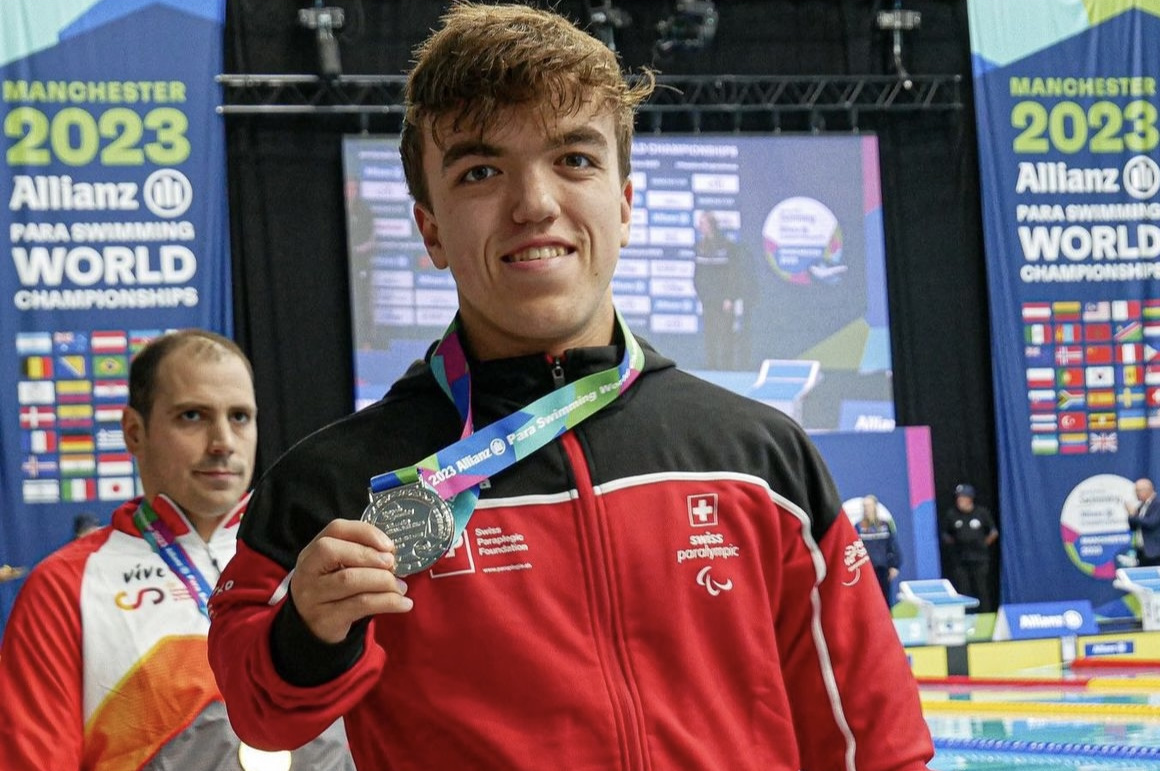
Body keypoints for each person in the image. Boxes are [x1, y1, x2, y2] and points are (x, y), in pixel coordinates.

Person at [207, 5, 933, 770]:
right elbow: (259, 714)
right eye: (481, 171)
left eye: (575, 160)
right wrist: (310, 630)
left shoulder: (758, 459)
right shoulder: (338, 484)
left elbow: (874, 739)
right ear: (429, 229)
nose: (534, 204)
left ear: (623, 207)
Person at [0, 330, 354, 771]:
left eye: (240, 417)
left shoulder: (324, 561)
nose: (223, 440)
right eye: (193, 416)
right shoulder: (65, 586)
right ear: (134, 431)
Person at [693, 209, 747, 369]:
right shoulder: (700, 247)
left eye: (703, 223)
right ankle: (712, 368)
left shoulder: (727, 246)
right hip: (708, 300)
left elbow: (734, 275)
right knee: (710, 335)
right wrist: (702, 295)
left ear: (711, 225)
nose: (700, 226)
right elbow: (697, 276)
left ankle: (727, 369)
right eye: (700, 223)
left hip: (724, 301)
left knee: (726, 335)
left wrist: (730, 298)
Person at [941, 483, 998, 611]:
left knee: (981, 588)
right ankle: (966, 616)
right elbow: (945, 533)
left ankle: (985, 616)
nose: (959, 501)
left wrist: (984, 543)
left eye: (962, 498)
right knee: (963, 589)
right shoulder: (952, 515)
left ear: (969, 499)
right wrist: (954, 543)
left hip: (979, 558)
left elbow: (993, 532)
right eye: (958, 498)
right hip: (960, 559)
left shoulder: (981, 513)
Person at [854, 494, 900, 604]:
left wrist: (894, 565)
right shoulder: (858, 526)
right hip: (866, 570)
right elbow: (854, 549)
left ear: (875, 507)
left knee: (884, 600)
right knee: (868, 602)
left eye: (869, 506)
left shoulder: (885, 525)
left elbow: (892, 545)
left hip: (883, 569)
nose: (866, 509)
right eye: (864, 506)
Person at [1127, 477, 1160, 567]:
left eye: (1138, 491)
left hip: (1155, 552)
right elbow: (1133, 527)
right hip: (1142, 551)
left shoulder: (1157, 504)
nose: (1136, 494)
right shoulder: (1142, 506)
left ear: (1147, 490)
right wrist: (1131, 515)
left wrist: (1134, 517)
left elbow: (1151, 523)